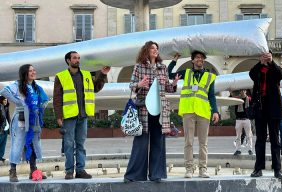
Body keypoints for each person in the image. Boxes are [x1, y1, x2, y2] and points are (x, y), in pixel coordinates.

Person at [124, 41, 179, 182]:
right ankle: (134, 175)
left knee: (158, 142)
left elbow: (168, 88)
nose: (155, 50)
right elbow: (132, 85)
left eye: (157, 48)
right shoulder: (139, 67)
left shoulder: (163, 68)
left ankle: (156, 174)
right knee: (141, 142)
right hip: (143, 108)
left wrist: (173, 84)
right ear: (146, 51)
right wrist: (139, 84)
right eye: (152, 48)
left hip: (160, 110)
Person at [53, 51, 110, 180]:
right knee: (68, 145)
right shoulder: (61, 76)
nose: (77, 60)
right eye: (74, 58)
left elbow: (95, 88)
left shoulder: (86, 75)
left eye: (78, 58)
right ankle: (69, 171)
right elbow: (57, 98)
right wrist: (58, 117)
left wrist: (102, 74)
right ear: (68, 60)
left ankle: (80, 170)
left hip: (83, 116)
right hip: (69, 116)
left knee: (81, 145)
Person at [168, 51, 219, 178]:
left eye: (201, 58)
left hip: (203, 111)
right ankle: (189, 169)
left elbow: (211, 95)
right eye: (197, 57)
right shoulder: (186, 73)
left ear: (204, 60)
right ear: (192, 60)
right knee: (188, 142)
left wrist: (215, 111)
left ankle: (203, 169)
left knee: (203, 143)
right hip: (188, 111)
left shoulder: (210, 76)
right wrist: (174, 61)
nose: (199, 59)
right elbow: (169, 74)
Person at [0, 64, 49, 182]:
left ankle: (33, 170)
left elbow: (45, 99)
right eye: (30, 71)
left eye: (34, 70)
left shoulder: (37, 87)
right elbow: (4, 91)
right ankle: (13, 171)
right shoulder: (17, 85)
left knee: (33, 143)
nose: (33, 72)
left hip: (34, 118)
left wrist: (40, 107)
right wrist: (18, 102)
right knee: (18, 143)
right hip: (21, 117)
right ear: (24, 73)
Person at [249, 52, 282, 179]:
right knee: (260, 140)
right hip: (260, 108)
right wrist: (260, 63)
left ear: (270, 56)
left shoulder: (275, 69)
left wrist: (271, 62)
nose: (265, 57)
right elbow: (251, 74)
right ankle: (258, 168)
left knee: (275, 140)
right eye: (263, 56)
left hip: (273, 109)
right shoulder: (258, 70)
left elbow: (281, 75)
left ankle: (277, 169)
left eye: (267, 55)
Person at [231, 89, 253, 156]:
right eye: (241, 91)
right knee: (238, 136)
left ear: (245, 91)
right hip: (238, 119)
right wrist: (231, 92)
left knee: (249, 135)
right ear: (240, 91)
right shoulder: (237, 99)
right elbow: (231, 99)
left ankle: (250, 149)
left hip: (247, 119)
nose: (242, 92)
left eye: (244, 90)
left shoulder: (249, 99)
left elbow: (253, 106)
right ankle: (238, 150)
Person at [0, 96, 11, 162]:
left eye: (6, 100)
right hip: (1, 129)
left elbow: (7, 118)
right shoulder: (0, 107)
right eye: (4, 100)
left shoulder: (6, 108)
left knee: (3, 144)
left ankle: (0, 156)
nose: (5, 101)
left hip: (5, 128)